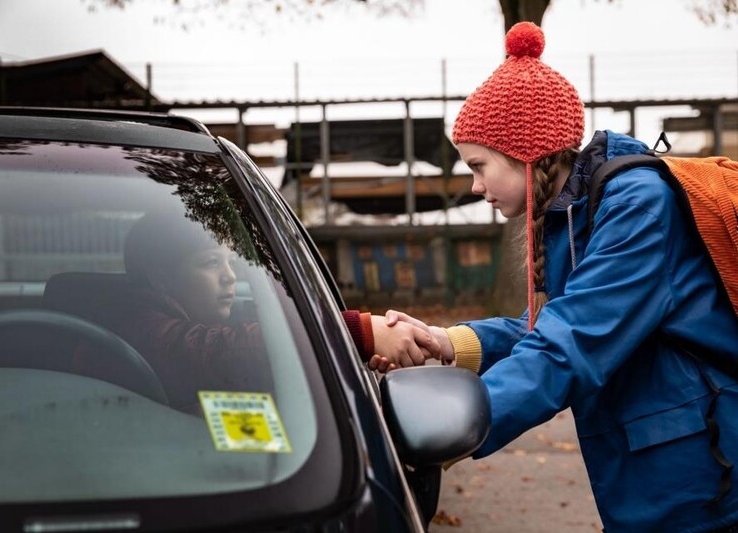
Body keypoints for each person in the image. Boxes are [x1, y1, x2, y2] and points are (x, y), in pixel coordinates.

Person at [369, 21, 738, 533]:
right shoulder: (572, 211)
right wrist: (448, 342)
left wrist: (448, 426)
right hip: (654, 468)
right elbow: (549, 325)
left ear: (524, 154)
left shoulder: (637, 208)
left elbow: (572, 345)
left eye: (478, 165)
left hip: (700, 475)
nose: (475, 186)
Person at [73, 212, 438, 414]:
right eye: (209, 263)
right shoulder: (131, 324)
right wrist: (359, 333)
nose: (229, 277)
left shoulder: (196, 321)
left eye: (231, 262)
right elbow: (211, 352)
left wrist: (344, 362)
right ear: (161, 276)